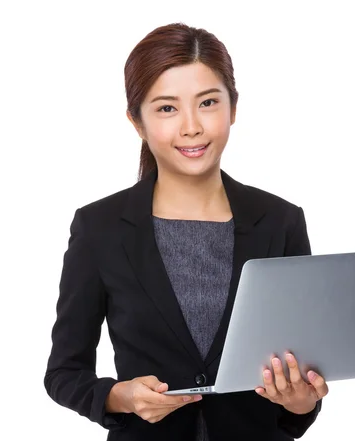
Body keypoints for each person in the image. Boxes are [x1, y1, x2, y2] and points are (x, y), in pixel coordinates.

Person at [44, 22, 328, 441]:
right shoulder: (99, 228)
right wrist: (121, 396)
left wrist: (303, 401)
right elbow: (64, 373)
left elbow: (300, 379)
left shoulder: (280, 220)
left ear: (233, 107)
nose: (192, 126)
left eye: (208, 102)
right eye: (167, 108)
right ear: (136, 122)